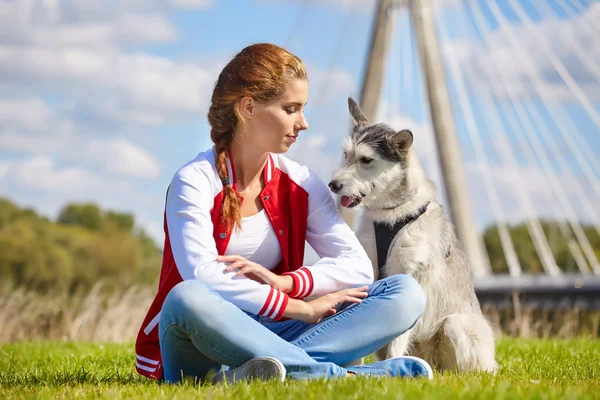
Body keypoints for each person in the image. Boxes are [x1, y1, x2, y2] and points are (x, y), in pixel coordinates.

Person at [134, 43, 430, 384]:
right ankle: (339, 375)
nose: (303, 123)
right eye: (291, 109)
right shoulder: (194, 181)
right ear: (248, 107)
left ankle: (249, 376)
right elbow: (200, 274)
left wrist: (289, 282)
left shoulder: (301, 182)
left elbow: (358, 268)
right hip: (202, 338)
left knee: (403, 293)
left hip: (279, 332)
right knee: (186, 298)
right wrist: (297, 307)